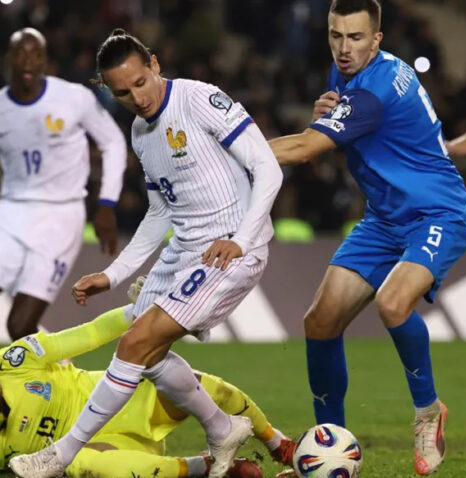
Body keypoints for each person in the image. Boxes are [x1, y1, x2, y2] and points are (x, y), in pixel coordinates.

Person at [10, 29, 283, 478]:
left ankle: (60, 455)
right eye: (122, 92)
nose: (137, 98)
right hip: (184, 251)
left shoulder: (199, 99)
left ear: (154, 64)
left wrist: (242, 238)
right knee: (149, 353)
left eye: (140, 82)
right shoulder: (140, 132)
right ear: (109, 90)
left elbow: (267, 167)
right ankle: (223, 428)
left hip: (230, 250)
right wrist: (113, 274)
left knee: (135, 343)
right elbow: (159, 212)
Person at [267, 0, 466, 476]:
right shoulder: (353, 73)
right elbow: (342, 133)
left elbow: (305, 149)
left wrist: (228, 146)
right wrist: (327, 118)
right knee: (320, 321)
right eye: (336, 36)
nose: (344, 48)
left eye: (356, 37)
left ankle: (428, 411)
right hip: (383, 219)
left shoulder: (373, 90)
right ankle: (329, 447)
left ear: (377, 39)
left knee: (393, 303)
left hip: (437, 213)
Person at [0, 302, 294, 477]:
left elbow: (92, 333)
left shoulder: (14, 362)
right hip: (107, 450)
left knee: (208, 389)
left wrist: (138, 309)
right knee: (83, 465)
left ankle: (279, 445)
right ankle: (204, 467)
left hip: (127, 401)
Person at [0, 28, 127, 340]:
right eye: (20, 54)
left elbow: (113, 142)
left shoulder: (73, 98)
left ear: (45, 61)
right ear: (9, 59)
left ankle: (59, 366)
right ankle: (56, 364)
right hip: (10, 213)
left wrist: (107, 203)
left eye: (36, 55)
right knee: (20, 328)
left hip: (59, 217)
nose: (28, 61)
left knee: (18, 326)